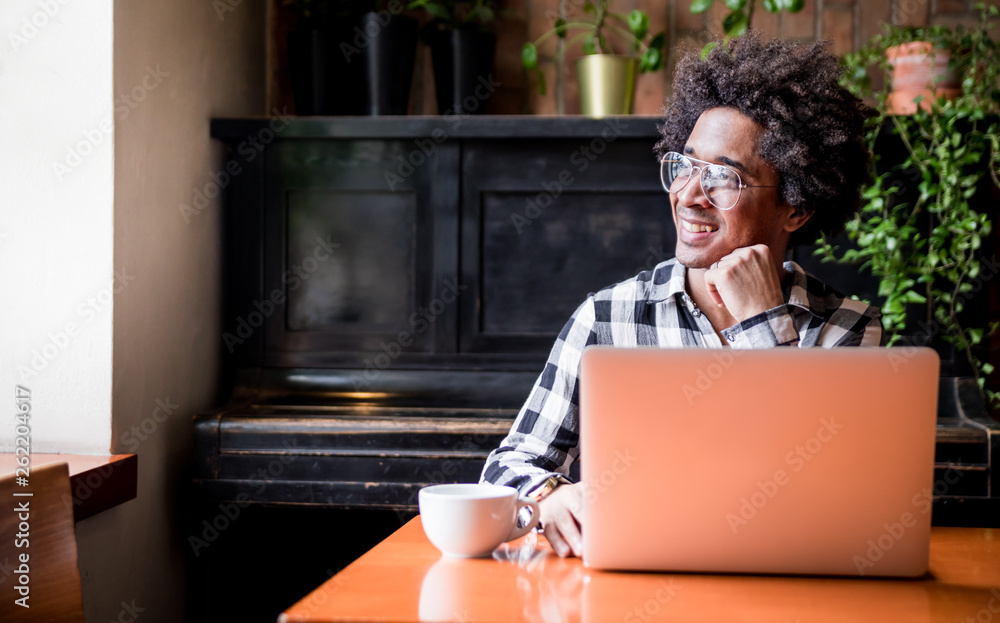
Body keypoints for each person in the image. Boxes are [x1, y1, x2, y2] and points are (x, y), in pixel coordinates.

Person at [479, 32, 886, 557]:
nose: (689, 195)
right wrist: (549, 497)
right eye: (685, 166)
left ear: (796, 208)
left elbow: (831, 504)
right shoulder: (608, 318)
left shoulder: (849, 330)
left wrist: (762, 324)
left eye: (724, 177)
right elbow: (508, 465)